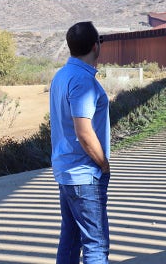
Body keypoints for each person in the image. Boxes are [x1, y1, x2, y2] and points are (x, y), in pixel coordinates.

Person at [50, 21, 111, 263]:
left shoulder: (62, 75)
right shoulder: (82, 80)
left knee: (70, 239)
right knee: (96, 246)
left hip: (66, 171)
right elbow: (84, 132)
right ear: (96, 46)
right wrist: (103, 165)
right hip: (84, 175)